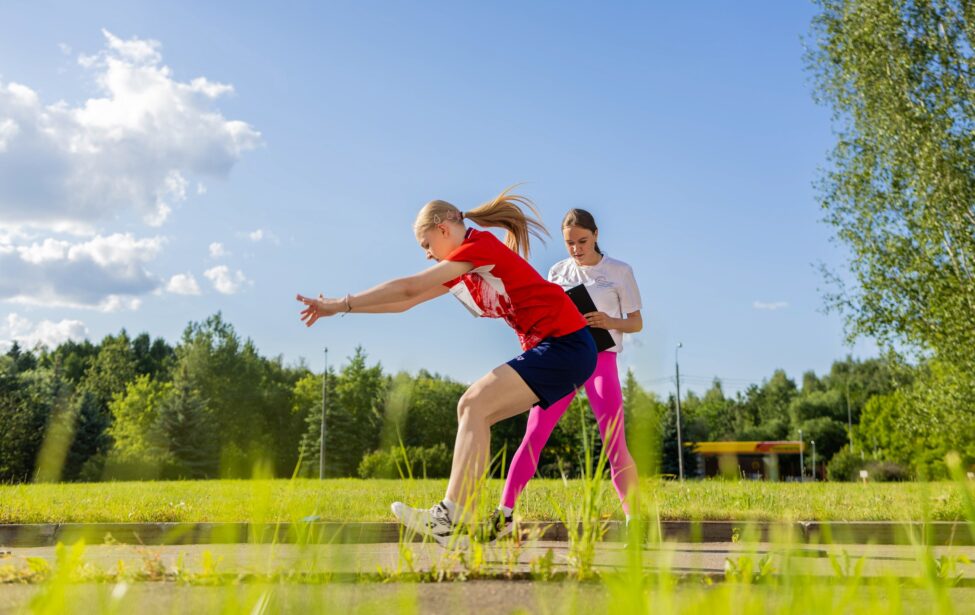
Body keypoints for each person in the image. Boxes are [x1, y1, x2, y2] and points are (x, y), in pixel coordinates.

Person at [296, 188, 597, 546]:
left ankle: (451, 516)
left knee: (473, 403)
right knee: (475, 410)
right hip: (563, 348)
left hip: (567, 345)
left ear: (443, 229)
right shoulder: (466, 266)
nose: (426, 254)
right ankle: (459, 520)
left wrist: (342, 301)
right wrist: (344, 309)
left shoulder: (478, 246)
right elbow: (405, 303)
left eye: (426, 244)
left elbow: (410, 288)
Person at [490, 208, 643, 540]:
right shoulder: (557, 271)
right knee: (534, 435)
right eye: (570, 243)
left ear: (596, 234)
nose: (576, 248)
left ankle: (635, 521)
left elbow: (636, 322)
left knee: (614, 440)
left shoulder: (619, 271)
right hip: (562, 358)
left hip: (601, 358)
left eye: (582, 241)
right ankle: (503, 515)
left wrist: (609, 321)